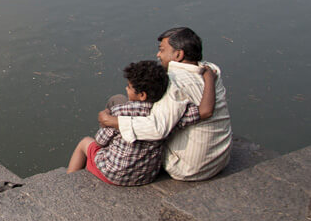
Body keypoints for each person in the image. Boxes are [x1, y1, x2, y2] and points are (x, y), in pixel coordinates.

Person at [100, 27, 232, 181]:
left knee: (118, 104)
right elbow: (205, 111)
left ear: (178, 54)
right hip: (219, 159)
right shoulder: (210, 69)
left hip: (188, 166)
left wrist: (111, 121)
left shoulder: (174, 80)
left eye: (162, 50)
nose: (158, 55)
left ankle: (113, 155)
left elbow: (157, 129)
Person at [68, 60, 216, 186]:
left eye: (129, 87)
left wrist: (108, 121)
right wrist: (209, 79)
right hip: (146, 176)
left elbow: (100, 140)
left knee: (85, 142)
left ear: (142, 95)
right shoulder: (170, 115)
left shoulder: (119, 113)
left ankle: (68, 182)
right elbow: (201, 112)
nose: (126, 88)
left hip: (115, 173)